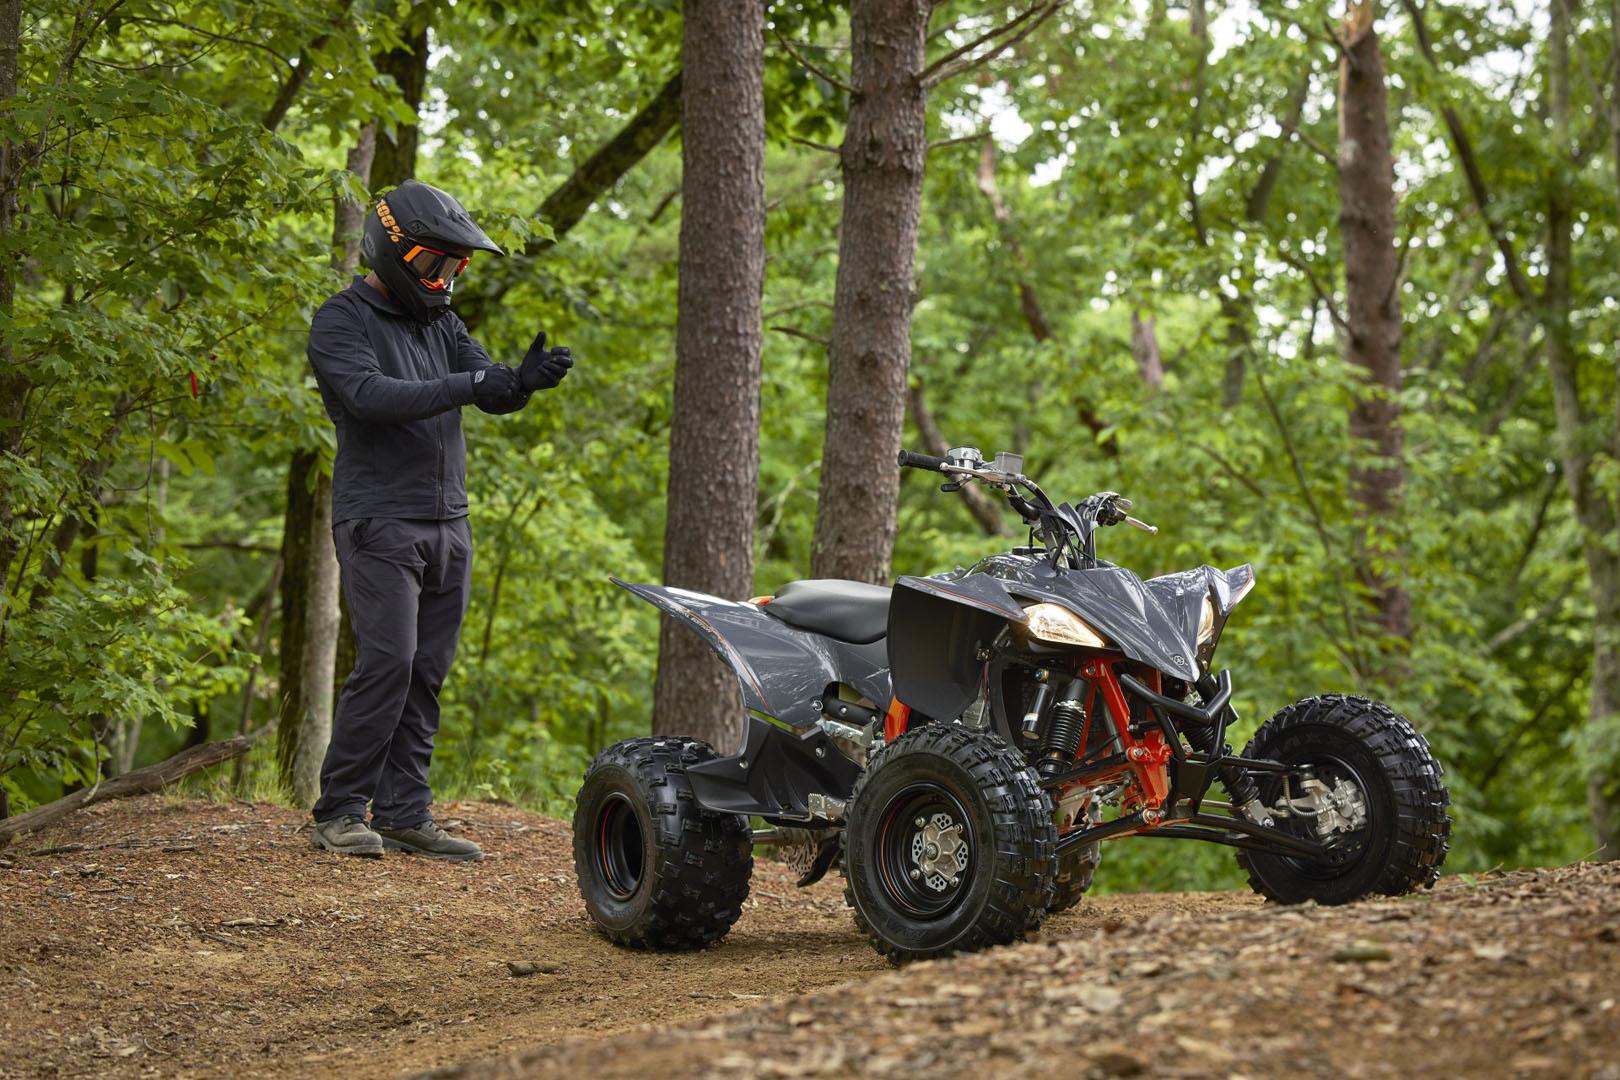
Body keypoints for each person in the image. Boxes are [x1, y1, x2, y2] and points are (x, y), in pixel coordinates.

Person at [304, 179, 574, 860]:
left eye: (456, 267)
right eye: (435, 264)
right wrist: (473, 385)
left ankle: (404, 811)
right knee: (389, 661)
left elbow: (489, 387)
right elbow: (369, 397)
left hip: (448, 521)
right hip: (380, 520)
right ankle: (338, 810)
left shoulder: (443, 325)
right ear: (394, 252)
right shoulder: (341, 320)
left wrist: (524, 381)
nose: (445, 279)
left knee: (426, 670)